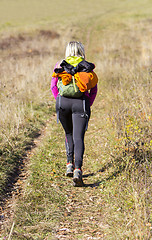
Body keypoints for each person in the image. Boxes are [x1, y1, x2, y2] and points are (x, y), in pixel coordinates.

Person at [51, 41, 98, 187]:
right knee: (78, 137)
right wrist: (87, 104)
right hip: (81, 104)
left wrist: (59, 101)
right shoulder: (86, 66)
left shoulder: (60, 64)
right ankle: (78, 170)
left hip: (62, 103)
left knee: (68, 134)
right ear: (81, 51)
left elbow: (53, 86)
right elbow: (94, 89)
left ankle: (69, 164)